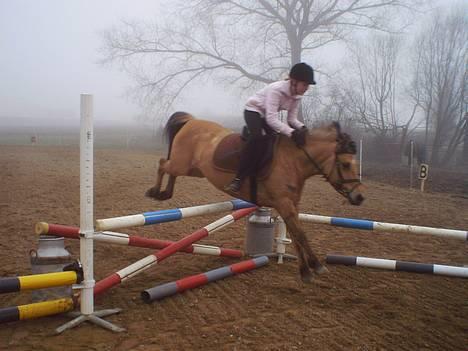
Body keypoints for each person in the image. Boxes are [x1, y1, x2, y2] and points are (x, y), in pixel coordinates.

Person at [225, 62, 316, 193]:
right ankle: (238, 179)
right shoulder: (276, 90)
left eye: (308, 85)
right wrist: (292, 133)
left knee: (275, 140)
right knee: (257, 138)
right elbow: (272, 120)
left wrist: (303, 128)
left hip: (266, 115)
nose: (307, 88)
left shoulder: (297, 96)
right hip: (253, 110)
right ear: (294, 81)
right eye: (305, 84)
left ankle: (263, 172)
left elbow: (291, 119)